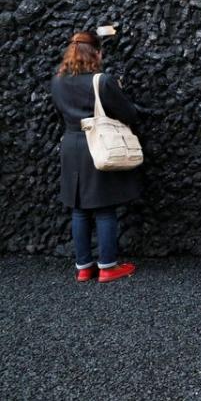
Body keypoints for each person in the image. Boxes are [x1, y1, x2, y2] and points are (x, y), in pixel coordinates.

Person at [50, 31, 140, 283]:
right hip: (96, 146)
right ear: (96, 53)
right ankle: (108, 267)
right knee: (104, 209)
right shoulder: (101, 81)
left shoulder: (57, 81)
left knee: (78, 208)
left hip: (71, 145)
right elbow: (128, 114)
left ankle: (83, 267)